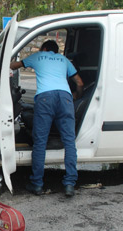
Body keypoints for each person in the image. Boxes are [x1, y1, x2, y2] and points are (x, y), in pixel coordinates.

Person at [10, 40, 84, 197]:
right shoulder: (64, 60)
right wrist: (76, 96)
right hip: (65, 98)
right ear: (56, 51)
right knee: (69, 142)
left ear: (44, 48)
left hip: (45, 98)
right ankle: (70, 184)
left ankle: (37, 184)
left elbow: (13, 66)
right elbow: (79, 82)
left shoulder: (38, 56)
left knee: (40, 142)